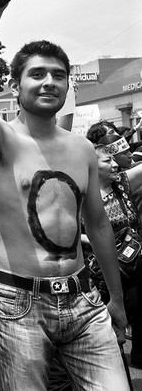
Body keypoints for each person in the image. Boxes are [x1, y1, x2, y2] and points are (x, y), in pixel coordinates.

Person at [0, 0, 128, 389]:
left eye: (58, 75)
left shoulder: (83, 148)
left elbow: (99, 224)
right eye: (37, 74)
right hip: (17, 302)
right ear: (16, 86)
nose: (49, 81)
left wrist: (117, 300)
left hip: (83, 298)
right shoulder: (1, 143)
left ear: (69, 85)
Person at [87, 132, 142, 366]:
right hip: (101, 276)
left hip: (136, 269)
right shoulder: (82, 195)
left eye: (113, 159)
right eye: (106, 160)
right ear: (91, 166)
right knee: (108, 340)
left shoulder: (122, 183)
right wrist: (97, 239)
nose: (113, 164)